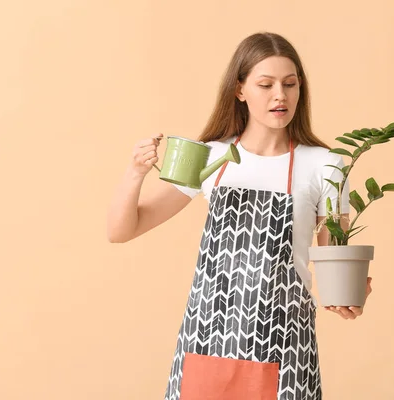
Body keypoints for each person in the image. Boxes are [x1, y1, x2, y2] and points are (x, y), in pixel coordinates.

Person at [107, 32, 373, 400]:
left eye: (290, 84)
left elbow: (332, 265)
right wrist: (135, 172)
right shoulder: (208, 157)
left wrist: (349, 293)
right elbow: (122, 230)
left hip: (284, 346)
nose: (280, 95)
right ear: (240, 90)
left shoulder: (326, 165)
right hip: (208, 340)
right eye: (266, 84)